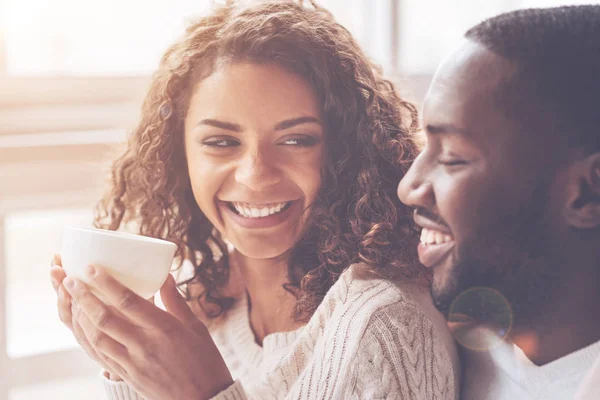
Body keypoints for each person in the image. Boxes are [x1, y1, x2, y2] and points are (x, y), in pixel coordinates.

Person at [49, 1, 460, 399]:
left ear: (345, 151)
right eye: (221, 142)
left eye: (295, 140)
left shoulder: (384, 325)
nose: (255, 175)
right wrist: (124, 364)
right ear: (180, 157)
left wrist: (205, 393)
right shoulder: (204, 305)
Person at [397, 5, 600, 400]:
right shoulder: (424, 345)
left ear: (587, 194)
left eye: (453, 157)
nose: (409, 187)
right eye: (426, 146)